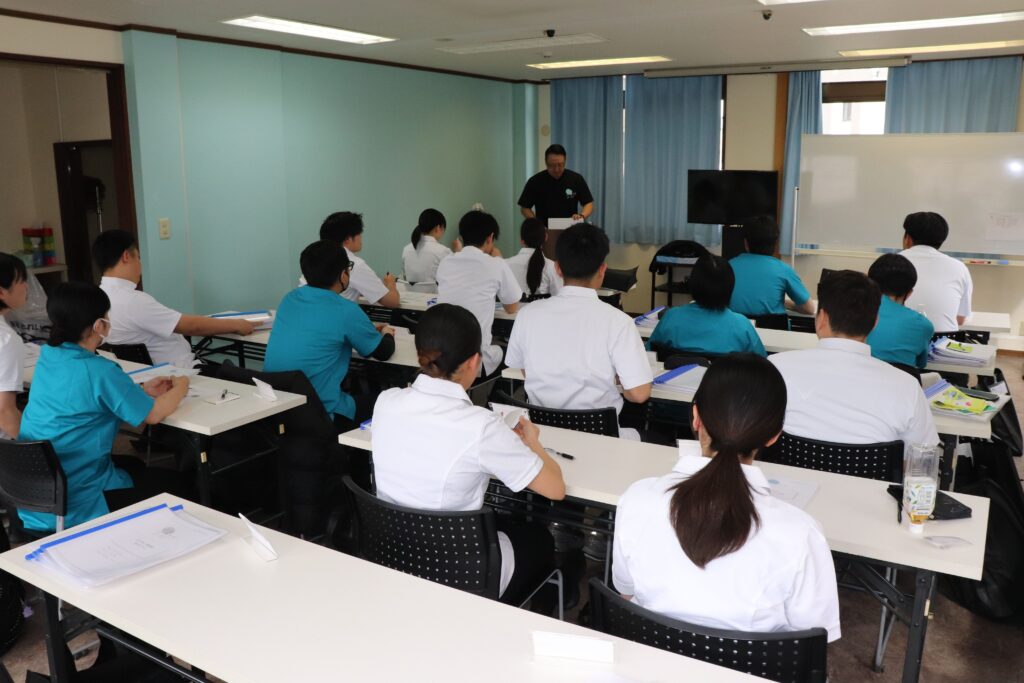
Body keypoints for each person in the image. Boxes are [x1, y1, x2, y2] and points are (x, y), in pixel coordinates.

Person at [612, 354, 841, 641]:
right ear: (774, 435)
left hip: (651, 658)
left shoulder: (638, 499)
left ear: (696, 418)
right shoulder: (800, 533)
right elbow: (815, 637)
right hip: (751, 665)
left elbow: (626, 592)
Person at [371, 303, 565, 605]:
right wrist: (533, 443)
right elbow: (555, 489)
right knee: (539, 538)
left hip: (393, 556)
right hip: (459, 574)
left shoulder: (386, 401)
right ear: (474, 361)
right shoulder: (480, 426)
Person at [18, 282, 190, 532]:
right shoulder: (99, 370)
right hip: (78, 501)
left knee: (134, 466)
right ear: (99, 325)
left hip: (36, 495)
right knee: (181, 485)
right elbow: (153, 415)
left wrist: (139, 391)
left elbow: (82, 398)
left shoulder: (49, 356)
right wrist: (182, 384)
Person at [505, 223, 652, 438]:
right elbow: (639, 394)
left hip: (541, 436)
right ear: (602, 270)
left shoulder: (527, 315)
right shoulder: (619, 322)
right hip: (601, 440)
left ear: (557, 268)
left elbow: (526, 371)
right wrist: (614, 379)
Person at [769, 270, 939, 446]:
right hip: (873, 465)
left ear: (822, 318)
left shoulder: (774, 368)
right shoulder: (908, 387)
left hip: (785, 464)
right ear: (875, 323)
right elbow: (924, 454)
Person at [265, 241, 396, 428]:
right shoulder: (346, 310)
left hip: (278, 410)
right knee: (389, 401)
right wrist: (387, 332)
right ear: (343, 274)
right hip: (322, 414)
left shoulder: (289, 299)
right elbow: (383, 352)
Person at [94, 230, 256, 368]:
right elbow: (191, 327)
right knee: (257, 380)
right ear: (126, 256)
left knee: (231, 370)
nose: (140, 264)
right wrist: (237, 325)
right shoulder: (133, 300)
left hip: (149, 376)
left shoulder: (98, 297)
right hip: (183, 373)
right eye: (138, 257)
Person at [436, 211, 521, 376]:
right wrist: (499, 259)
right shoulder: (496, 264)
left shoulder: (446, 262)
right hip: (473, 358)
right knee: (512, 352)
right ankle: (495, 392)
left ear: (461, 237)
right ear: (490, 238)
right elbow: (511, 308)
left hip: (443, 354)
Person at [647, 255, 766, 357]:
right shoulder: (742, 326)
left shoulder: (671, 317)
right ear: (730, 287)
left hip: (675, 376)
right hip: (724, 378)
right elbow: (763, 366)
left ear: (693, 284)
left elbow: (648, 353)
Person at [899, 212, 973, 332]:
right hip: (943, 342)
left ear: (908, 238)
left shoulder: (886, 264)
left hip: (895, 340)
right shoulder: (959, 267)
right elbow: (960, 319)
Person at [729, 216, 815, 318]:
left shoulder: (727, 267)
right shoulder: (784, 270)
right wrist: (786, 304)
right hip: (775, 327)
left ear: (746, 243)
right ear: (775, 244)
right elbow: (809, 309)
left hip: (735, 328)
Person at [314, 211, 400, 308]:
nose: (361, 238)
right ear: (348, 239)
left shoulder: (314, 259)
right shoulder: (355, 264)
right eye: (359, 233)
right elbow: (392, 302)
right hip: (336, 316)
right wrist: (391, 283)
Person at [866, 253, 935, 369]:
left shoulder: (851, 313)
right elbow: (921, 364)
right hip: (902, 379)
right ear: (909, 293)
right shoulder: (923, 325)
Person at [518, 144, 594, 225]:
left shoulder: (576, 179)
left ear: (565, 161)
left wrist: (581, 216)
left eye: (560, 165)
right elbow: (525, 208)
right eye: (552, 165)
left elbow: (588, 203)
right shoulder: (535, 181)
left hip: (571, 228)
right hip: (544, 229)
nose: (557, 170)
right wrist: (536, 223)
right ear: (546, 162)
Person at [0, 254, 28, 440]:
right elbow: (4, 411)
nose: (26, 286)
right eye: (21, 281)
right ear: (1, 292)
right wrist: (38, 452)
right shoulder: (6, 339)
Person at [505, 218, 563, 299]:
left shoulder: (506, 264)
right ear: (546, 237)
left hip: (513, 307)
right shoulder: (552, 267)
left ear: (522, 241)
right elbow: (559, 296)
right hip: (544, 307)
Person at [401, 208, 459, 285]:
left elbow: (404, 277)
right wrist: (458, 253)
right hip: (435, 293)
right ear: (438, 228)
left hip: (409, 292)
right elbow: (456, 277)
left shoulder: (406, 250)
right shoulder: (443, 252)